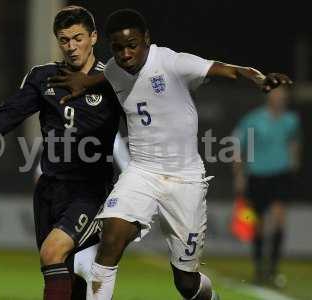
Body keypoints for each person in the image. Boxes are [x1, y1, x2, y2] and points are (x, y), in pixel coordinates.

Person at [48, 8, 292, 300]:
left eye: (132, 45)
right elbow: (106, 77)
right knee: (111, 239)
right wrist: (84, 83)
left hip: (185, 179)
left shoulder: (174, 63)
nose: (125, 54)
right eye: (118, 47)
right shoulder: (115, 67)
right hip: (141, 172)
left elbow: (228, 68)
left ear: (147, 40)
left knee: (186, 283)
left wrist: (259, 78)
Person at [0, 6, 123, 300]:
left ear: (94, 37)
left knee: (53, 251)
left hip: (90, 190)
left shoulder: (113, 79)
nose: (72, 47)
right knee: (62, 269)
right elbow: (6, 116)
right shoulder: (43, 77)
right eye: (64, 40)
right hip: (49, 190)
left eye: (78, 38)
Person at [233, 86, 301, 286]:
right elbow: (238, 145)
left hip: (281, 175)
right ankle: (259, 269)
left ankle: (273, 269)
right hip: (257, 175)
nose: (280, 97)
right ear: (269, 96)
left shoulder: (291, 120)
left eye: (283, 94)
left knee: (279, 219)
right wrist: (239, 174)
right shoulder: (253, 119)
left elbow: (294, 143)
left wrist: (294, 163)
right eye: (276, 94)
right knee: (259, 224)